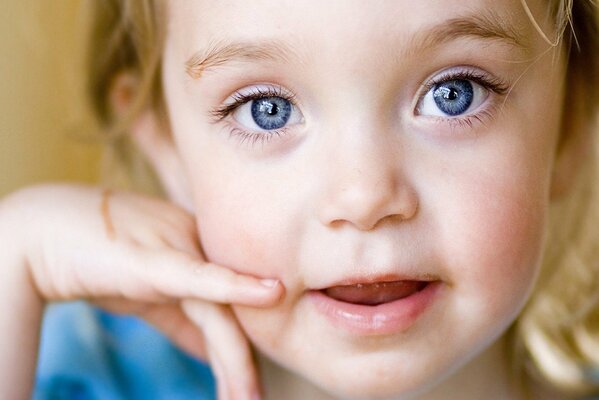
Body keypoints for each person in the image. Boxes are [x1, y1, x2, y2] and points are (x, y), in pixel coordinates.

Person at [1, 0, 598, 399]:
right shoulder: (76, 373)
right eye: (268, 110)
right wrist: (11, 263)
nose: (364, 197)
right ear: (169, 150)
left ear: (569, 128)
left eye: (454, 94)